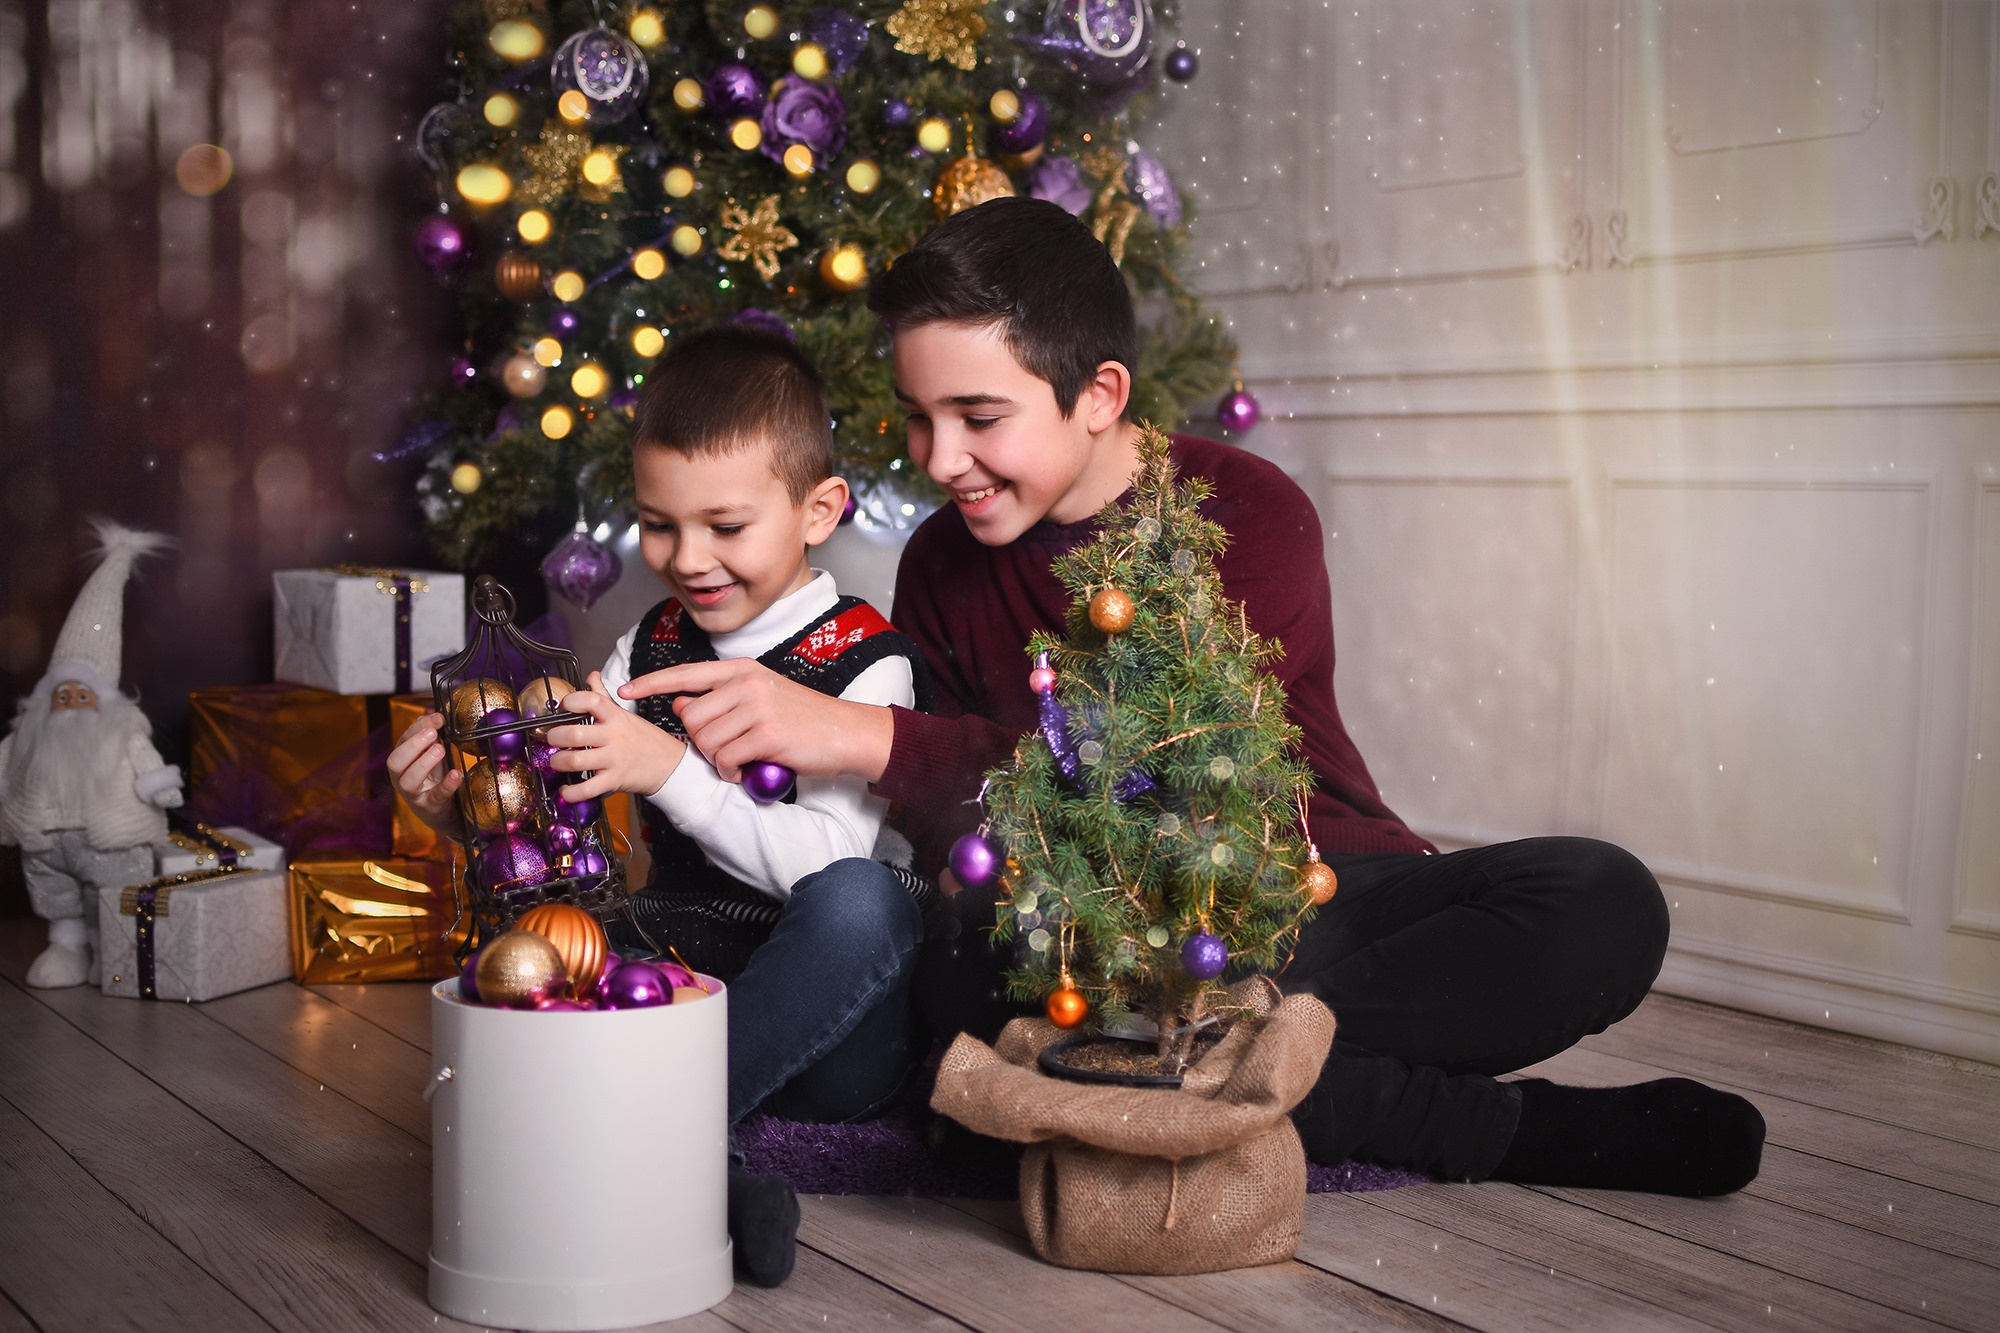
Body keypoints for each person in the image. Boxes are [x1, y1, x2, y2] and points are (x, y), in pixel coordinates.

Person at [621, 198, 1766, 1199]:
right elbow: (991, 841)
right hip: (1087, 942)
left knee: (1601, 900)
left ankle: (1137, 1080)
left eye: (978, 417)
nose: (938, 456)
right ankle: (1496, 1129)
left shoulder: (1246, 514)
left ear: (1097, 394)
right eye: (918, 419)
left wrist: (873, 735)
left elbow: (1160, 786)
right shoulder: (937, 564)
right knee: (976, 961)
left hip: (1302, 886)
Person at [388, 326, 933, 1285]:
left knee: (868, 898)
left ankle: (649, 1129)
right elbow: (561, 834)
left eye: (725, 527)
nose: (689, 557)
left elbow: (823, 865)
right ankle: (711, 1170)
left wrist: (666, 767)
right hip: (675, 970)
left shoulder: (865, 656)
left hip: (821, 1021)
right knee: (550, 939)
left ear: (819, 510)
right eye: (660, 524)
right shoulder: (647, 642)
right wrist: (460, 808)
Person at [0, 519, 183, 989]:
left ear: (103, 703)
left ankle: (111, 950)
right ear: (46, 699)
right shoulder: (27, 737)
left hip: (109, 839)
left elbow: (149, 769)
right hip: (44, 841)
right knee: (57, 897)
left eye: (83, 697)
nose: (72, 705)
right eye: (64, 697)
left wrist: (161, 787)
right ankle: (66, 947)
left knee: (112, 896)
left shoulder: (122, 734)